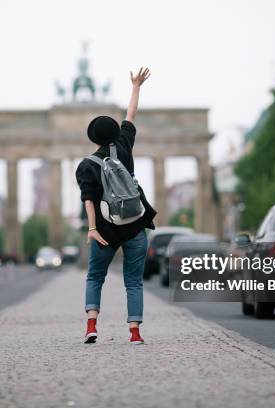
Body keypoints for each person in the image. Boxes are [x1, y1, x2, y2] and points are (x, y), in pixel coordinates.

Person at [75, 67, 156, 345]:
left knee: (95, 277)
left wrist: (92, 228)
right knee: (133, 282)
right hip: (135, 226)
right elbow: (130, 114)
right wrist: (136, 86)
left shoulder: (87, 165)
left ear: (94, 139)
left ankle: (91, 327)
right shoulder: (124, 146)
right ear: (114, 133)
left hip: (105, 231)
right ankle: (134, 332)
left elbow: (88, 198)